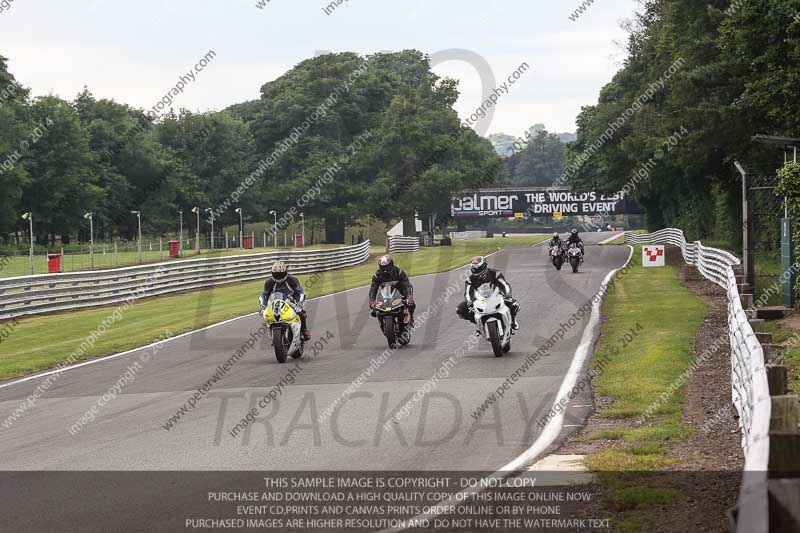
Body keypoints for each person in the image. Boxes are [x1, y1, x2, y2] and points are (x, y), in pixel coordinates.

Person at [457, 256, 520, 331]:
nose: (476, 270)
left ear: (484, 266)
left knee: (515, 305)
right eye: (474, 268)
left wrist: (507, 294)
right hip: (481, 298)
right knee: (460, 310)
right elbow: (468, 292)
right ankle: (479, 324)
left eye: (478, 268)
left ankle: (513, 321)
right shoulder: (470, 279)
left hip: (498, 295)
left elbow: (505, 285)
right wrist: (470, 302)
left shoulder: (495, 273)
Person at [261, 261, 311, 341]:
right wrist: (262, 306)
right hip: (276, 303)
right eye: (276, 275)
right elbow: (264, 295)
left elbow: (300, 292)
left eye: (280, 274)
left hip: (291, 301)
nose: (278, 277)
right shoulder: (269, 282)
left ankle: (304, 330)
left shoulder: (292, 280)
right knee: (268, 316)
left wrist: (299, 304)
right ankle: (272, 333)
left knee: (301, 313)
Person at [368, 255, 415, 325]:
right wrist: (372, 301)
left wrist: (409, 296)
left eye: (387, 267)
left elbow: (407, 285)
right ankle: (382, 322)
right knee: (375, 310)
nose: (385, 269)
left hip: (401, 291)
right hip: (385, 294)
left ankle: (410, 317)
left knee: (411, 304)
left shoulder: (399, 272)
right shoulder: (377, 275)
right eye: (383, 267)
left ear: (391, 264)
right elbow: (373, 289)